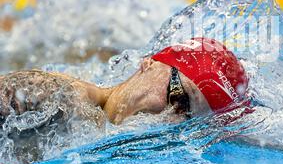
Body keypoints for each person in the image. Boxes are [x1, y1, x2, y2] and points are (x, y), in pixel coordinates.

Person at [0, 37, 249, 128]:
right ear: (149, 63)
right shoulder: (57, 98)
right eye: (178, 97)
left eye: (187, 119)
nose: (170, 119)